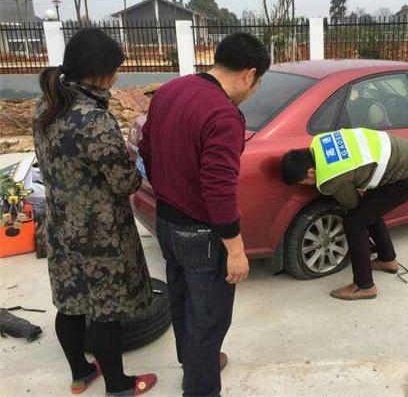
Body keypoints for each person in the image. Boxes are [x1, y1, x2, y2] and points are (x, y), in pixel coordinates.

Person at [138, 32, 270, 397]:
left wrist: (169, 189)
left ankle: (194, 364)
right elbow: (219, 188)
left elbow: (147, 148)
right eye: (258, 83)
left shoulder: (170, 91)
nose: (254, 91)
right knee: (208, 319)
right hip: (201, 234)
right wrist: (237, 250)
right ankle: (201, 386)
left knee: (182, 301)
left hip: (166, 222)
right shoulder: (224, 115)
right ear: (249, 74)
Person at [32, 28, 157, 396]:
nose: (117, 78)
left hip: (60, 224)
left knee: (70, 302)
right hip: (98, 233)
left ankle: (81, 374)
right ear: (101, 74)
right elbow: (124, 182)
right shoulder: (93, 120)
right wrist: (140, 165)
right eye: (115, 70)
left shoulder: (47, 104)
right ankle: (119, 386)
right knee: (105, 309)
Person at [281, 127, 408, 301]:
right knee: (368, 210)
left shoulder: (330, 177)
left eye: (305, 182)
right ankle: (387, 260)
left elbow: (352, 204)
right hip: (407, 159)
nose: (309, 184)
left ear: (311, 172)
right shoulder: (319, 142)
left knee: (354, 222)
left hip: (406, 178)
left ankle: (364, 286)